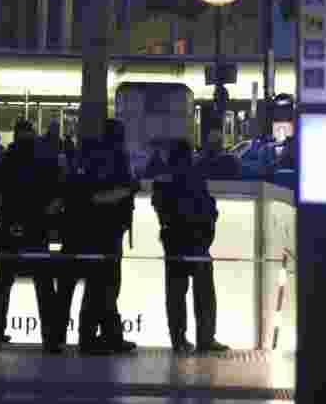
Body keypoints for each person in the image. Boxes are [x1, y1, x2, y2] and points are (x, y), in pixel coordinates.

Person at [0, 120, 63, 353]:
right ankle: (51, 339)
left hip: (10, 229)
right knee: (44, 286)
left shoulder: (6, 159)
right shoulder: (46, 158)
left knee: (1, 285)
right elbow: (59, 197)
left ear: (15, 135)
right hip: (37, 230)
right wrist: (46, 218)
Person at [56, 122, 139, 355]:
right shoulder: (113, 158)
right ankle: (92, 338)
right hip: (106, 233)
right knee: (102, 288)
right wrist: (129, 188)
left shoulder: (91, 156)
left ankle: (103, 336)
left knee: (98, 288)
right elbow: (100, 196)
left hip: (92, 231)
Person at [151, 139, 229, 354]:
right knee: (204, 293)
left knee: (175, 294)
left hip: (173, 240)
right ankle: (205, 338)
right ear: (187, 155)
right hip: (197, 241)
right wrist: (209, 223)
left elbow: (159, 206)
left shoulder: (163, 177)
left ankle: (178, 340)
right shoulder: (194, 176)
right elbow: (207, 205)